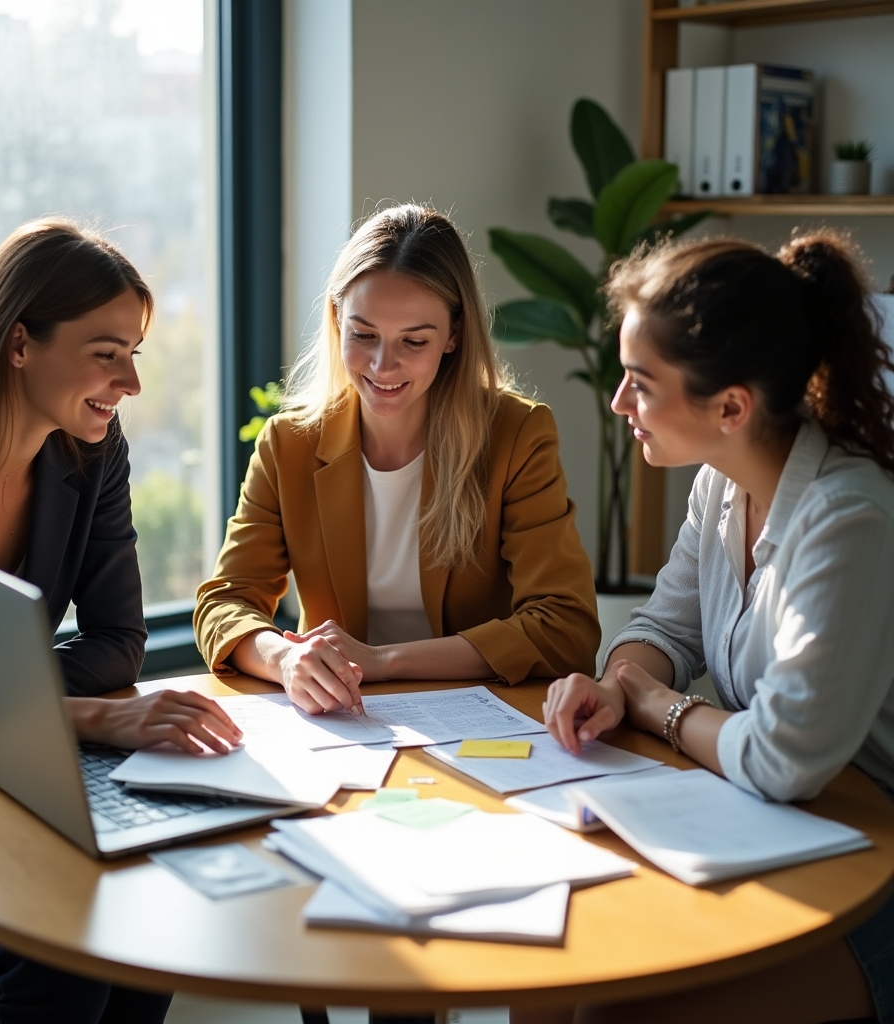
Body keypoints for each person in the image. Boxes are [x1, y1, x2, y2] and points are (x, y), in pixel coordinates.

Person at [0, 219, 241, 1024]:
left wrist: (3, 701)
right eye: (107, 354)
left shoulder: (93, 451)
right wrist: (84, 713)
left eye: (135, 354)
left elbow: (119, 644)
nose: (132, 384)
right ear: (17, 345)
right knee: (51, 951)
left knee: (149, 916)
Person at [529, 231, 894, 1024]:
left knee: (612, 1013)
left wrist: (652, 703)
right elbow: (665, 625)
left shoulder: (848, 517)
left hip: (873, 868)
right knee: (542, 980)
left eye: (639, 384)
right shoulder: (722, 483)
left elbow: (781, 756)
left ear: (731, 407)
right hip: (774, 830)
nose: (619, 405)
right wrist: (616, 678)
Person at [195, 204, 599, 713]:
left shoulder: (517, 436)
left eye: (414, 341)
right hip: (342, 723)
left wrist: (384, 661)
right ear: (337, 320)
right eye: (363, 335)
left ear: (454, 335)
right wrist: (283, 658)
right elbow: (225, 603)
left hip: (477, 719)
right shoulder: (288, 443)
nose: (384, 366)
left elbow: (567, 627)